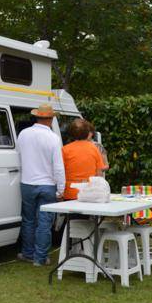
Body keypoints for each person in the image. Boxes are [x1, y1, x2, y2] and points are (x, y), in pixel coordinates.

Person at [17, 103, 65, 266]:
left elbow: (19, 156)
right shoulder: (53, 138)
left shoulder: (23, 134)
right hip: (47, 185)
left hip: (27, 183)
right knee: (44, 222)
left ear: (37, 116)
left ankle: (27, 253)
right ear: (50, 119)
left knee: (28, 220)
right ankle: (40, 258)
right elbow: (58, 167)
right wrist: (61, 189)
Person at [62, 119, 109, 200]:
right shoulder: (94, 149)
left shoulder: (65, 149)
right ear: (88, 133)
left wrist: (59, 191)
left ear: (71, 134)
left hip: (70, 192)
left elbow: (60, 172)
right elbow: (99, 174)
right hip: (88, 193)